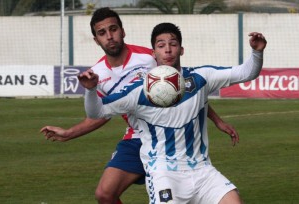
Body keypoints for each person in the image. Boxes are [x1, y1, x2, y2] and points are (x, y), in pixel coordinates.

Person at [40, 8, 239, 204]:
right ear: (96, 40)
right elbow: (101, 114)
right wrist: (69, 133)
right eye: (102, 33)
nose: (110, 36)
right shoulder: (97, 74)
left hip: (166, 135)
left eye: (113, 29)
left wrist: (216, 120)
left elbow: (184, 88)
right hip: (136, 136)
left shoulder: (149, 57)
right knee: (104, 194)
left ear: (122, 31)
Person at [80, 22, 267, 204]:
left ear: (181, 49)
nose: (168, 50)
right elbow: (97, 112)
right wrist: (90, 90)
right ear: (154, 53)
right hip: (164, 174)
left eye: (173, 44)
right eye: (161, 45)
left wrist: (257, 52)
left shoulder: (201, 77)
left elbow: (246, 72)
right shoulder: (138, 90)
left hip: (202, 171)